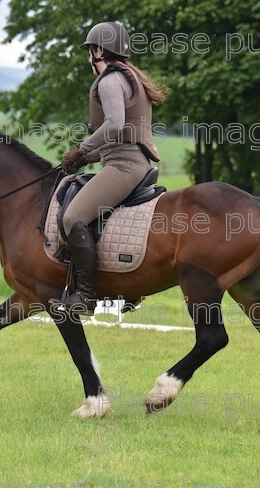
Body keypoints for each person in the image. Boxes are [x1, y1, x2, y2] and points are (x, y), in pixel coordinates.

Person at [58, 21, 167, 315]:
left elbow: (115, 125)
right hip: (131, 161)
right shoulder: (131, 77)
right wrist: (85, 159)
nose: (88, 58)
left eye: (89, 50)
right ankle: (125, 284)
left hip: (123, 167)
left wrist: (81, 148)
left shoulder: (109, 80)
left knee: (72, 218)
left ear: (98, 51)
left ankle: (85, 296)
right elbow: (123, 136)